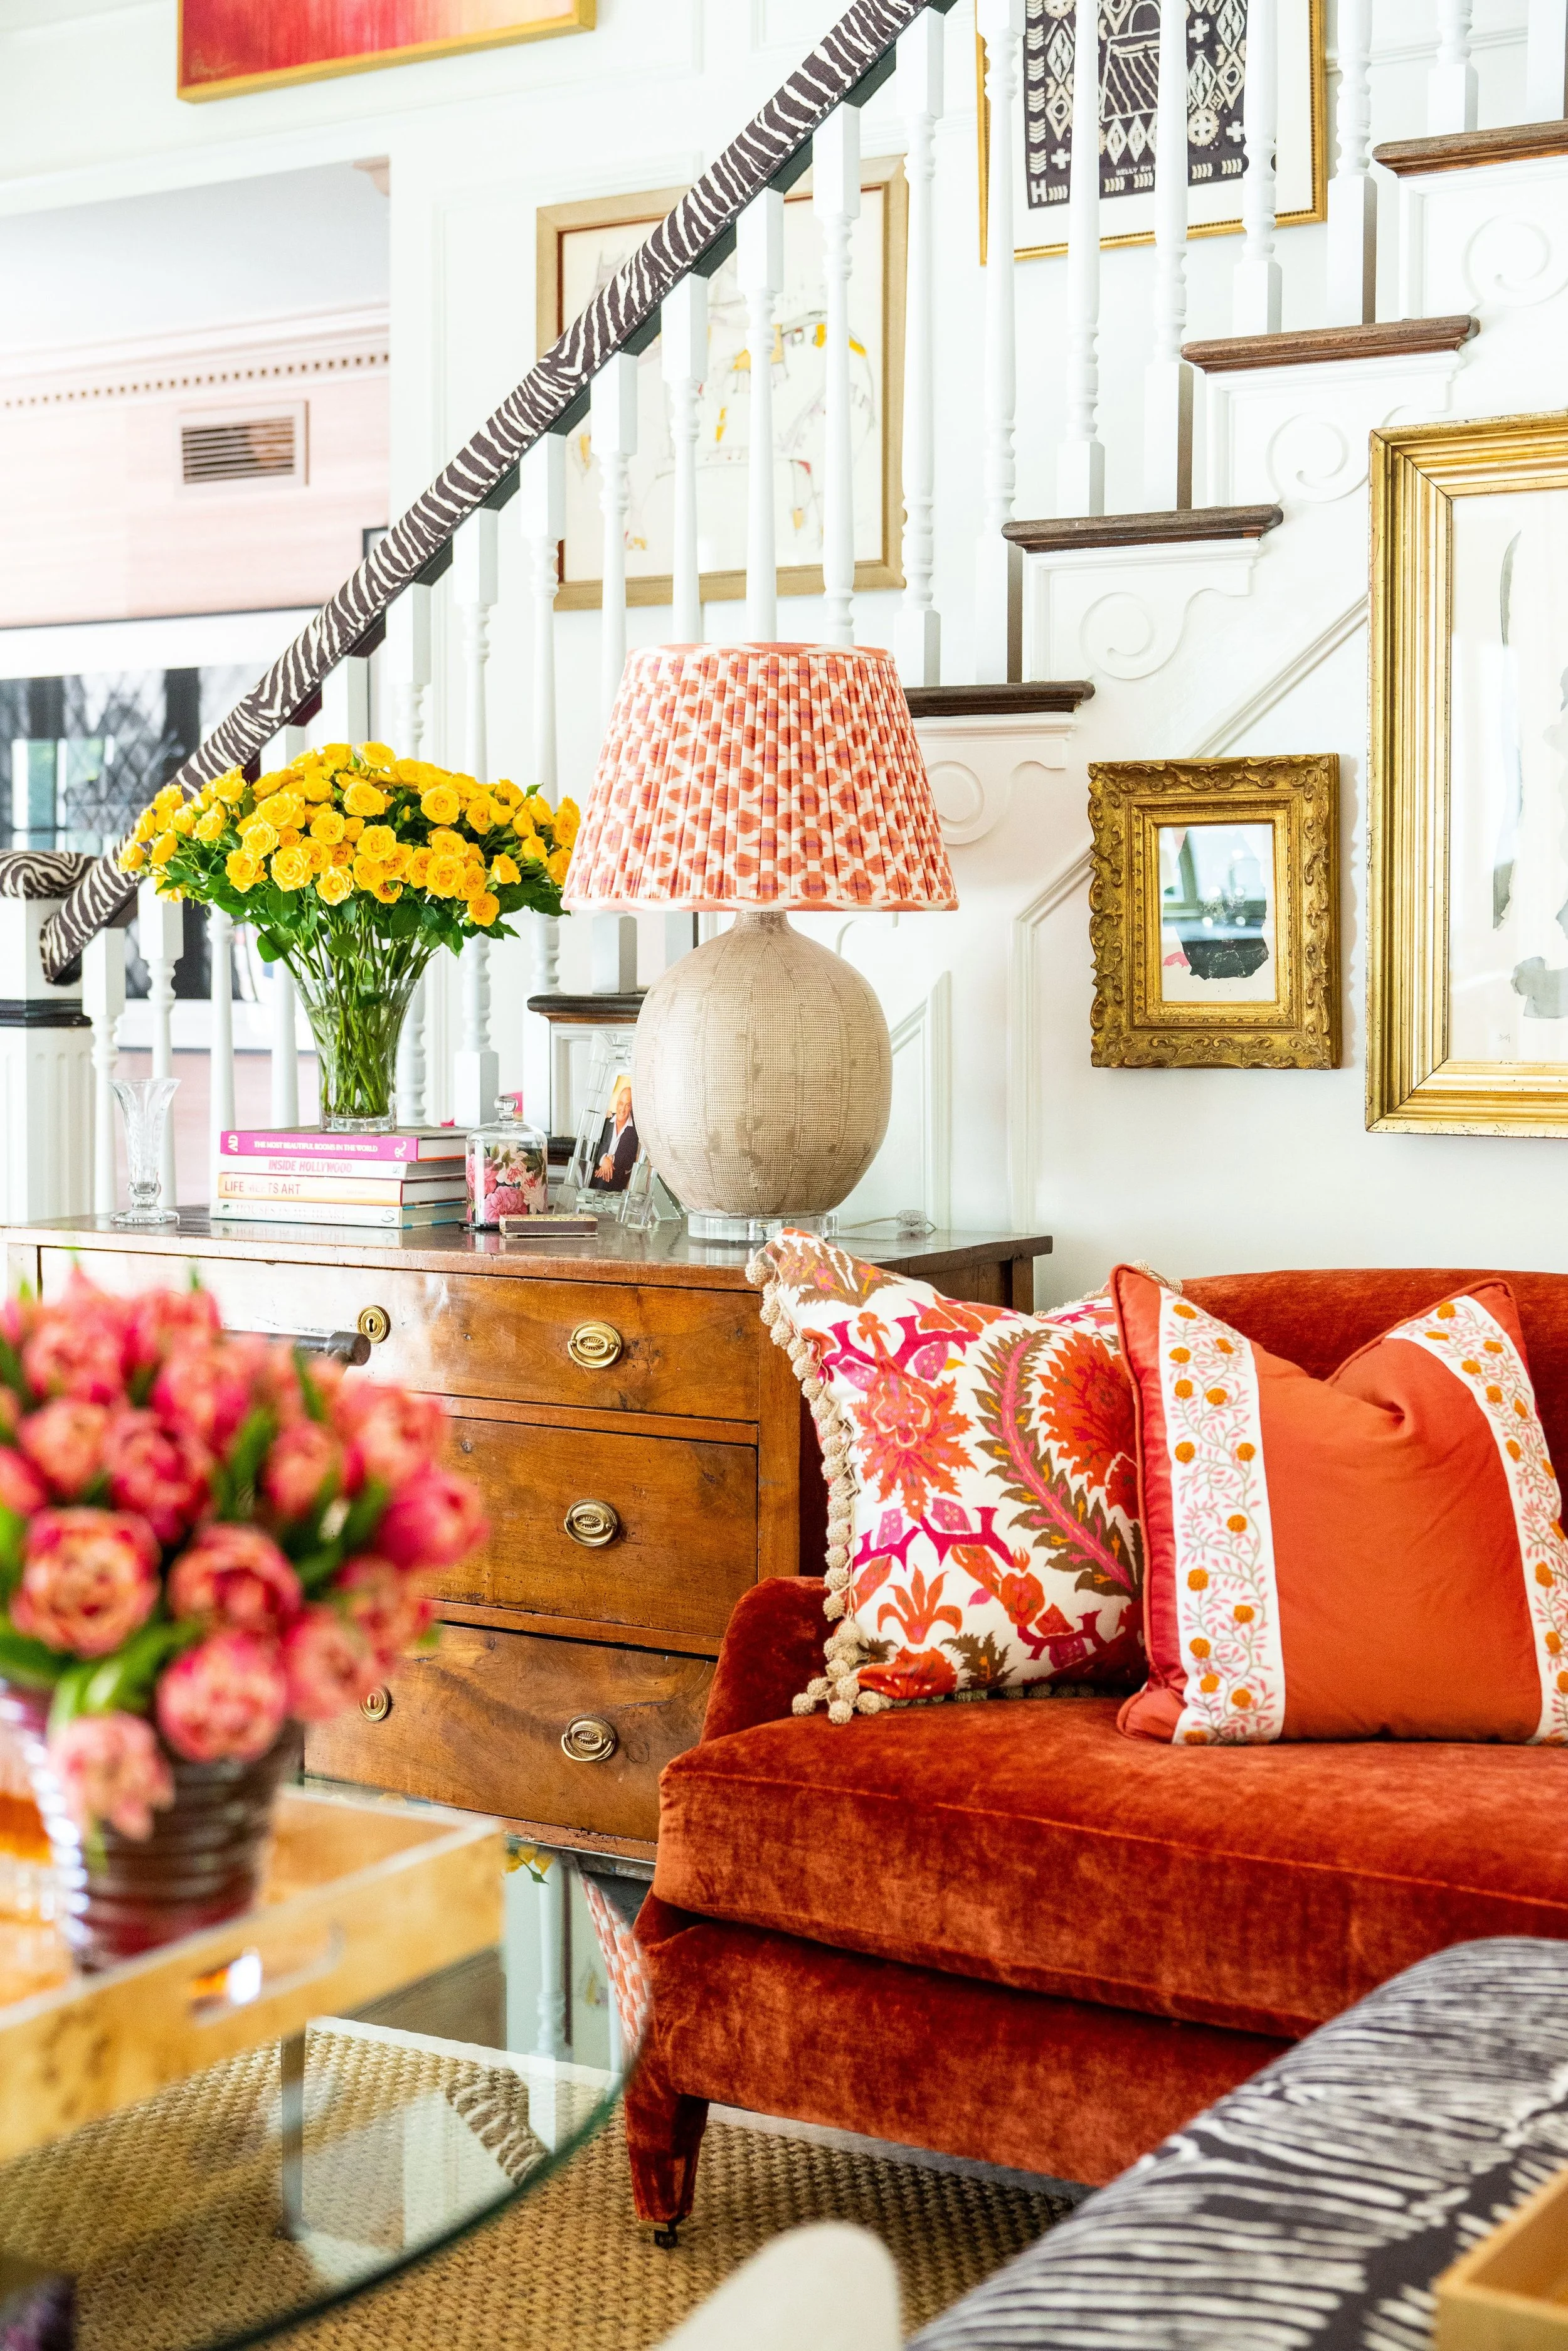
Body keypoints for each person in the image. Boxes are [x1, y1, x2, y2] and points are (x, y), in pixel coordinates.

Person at [589, 1075, 638, 1192]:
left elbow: (630, 1161)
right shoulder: (606, 1122)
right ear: (617, 1103)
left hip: (617, 1178)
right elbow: (593, 1147)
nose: (623, 1109)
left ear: (631, 1107)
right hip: (596, 1172)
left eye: (628, 1105)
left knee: (604, 1182)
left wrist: (611, 1162)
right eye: (621, 1104)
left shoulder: (635, 1131)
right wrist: (603, 1160)